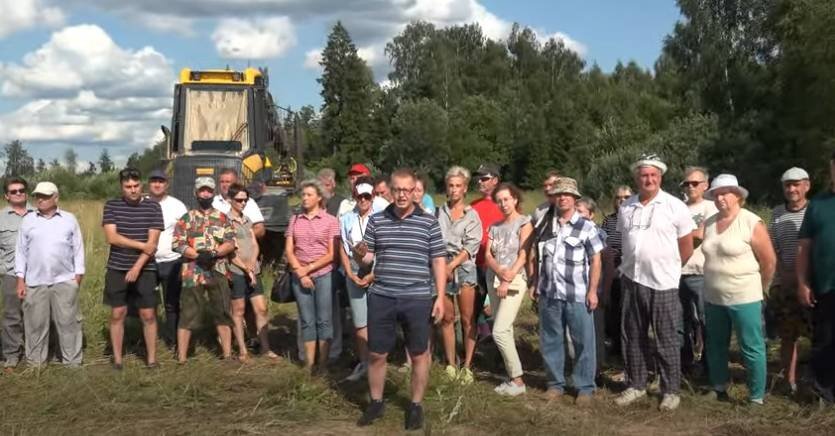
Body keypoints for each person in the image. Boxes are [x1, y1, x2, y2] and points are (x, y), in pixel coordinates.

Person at [353, 168, 446, 431]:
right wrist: (360, 254)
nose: (402, 195)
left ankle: (415, 405)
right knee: (376, 353)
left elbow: (438, 260)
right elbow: (368, 257)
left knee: (419, 354)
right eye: (397, 190)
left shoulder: (428, 222)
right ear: (390, 191)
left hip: (417, 297)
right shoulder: (377, 220)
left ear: (415, 190)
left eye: (407, 190)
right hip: (382, 295)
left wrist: (439, 296)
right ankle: (376, 401)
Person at [614, 154, 694, 411]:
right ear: (637, 178)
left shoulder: (675, 206)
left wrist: (669, 268)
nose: (648, 179)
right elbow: (623, 243)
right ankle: (635, 384)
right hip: (631, 280)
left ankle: (670, 390)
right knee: (632, 336)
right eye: (643, 175)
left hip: (664, 283)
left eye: (653, 175)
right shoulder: (626, 207)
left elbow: (687, 246)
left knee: (666, 338)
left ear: (660, 177)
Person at [701, 174, 775, 405]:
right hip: (714, 296)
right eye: (716, 194)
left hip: (745, 295)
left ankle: (756, 397)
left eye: (725, 193)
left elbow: (769, 260)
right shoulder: (710, 222)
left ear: (737, 195)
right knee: (715, 344)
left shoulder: (751, 221)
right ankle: (719, 386)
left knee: (751, 347)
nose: (720, 197)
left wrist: (760, 287)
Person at [15, 182, 84, 367]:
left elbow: (78, 250)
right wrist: (20, 280)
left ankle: (72, 362)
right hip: (35, 281)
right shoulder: (28, 220)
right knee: (35, 324)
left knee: (69, 323)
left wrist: (77, 278)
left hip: (64, 280)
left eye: (45, 196)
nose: (40, 199)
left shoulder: (69, 219)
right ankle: (36, 363)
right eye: (38, 195)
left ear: (56, 198)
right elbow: (20, 252)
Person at [102, 168, 164, 369]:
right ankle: (118, 359)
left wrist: (137, 266)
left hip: (145, 268)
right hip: (117, 267)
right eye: (128, 187)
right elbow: (112, 237)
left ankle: (152, 359)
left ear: (142, 185)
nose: (133, 190)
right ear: (122, 187)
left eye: (136, 186)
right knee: (117, 313)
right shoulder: (112, 206)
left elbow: (152, 243)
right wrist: (140, 245)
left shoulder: (153, 207)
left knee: (148, 314)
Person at [172, 177, 237, 363]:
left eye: (209, 191)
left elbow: (231, 242)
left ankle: (226, 354)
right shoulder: (187, 218)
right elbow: (177, 243)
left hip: (218, 269)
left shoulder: (223, 218)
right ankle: (182, 358)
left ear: (213, 193)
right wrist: (196, 255)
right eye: (202, 191)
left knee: (222, 311)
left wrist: (215, 253)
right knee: (188, 313)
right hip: (193, 271)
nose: (205, 194)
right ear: (196, 193)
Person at [285, 180, 340, 372]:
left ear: (319, 198)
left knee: (324, 319)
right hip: (299, 276)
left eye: (309, 194)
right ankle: (309, 364)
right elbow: (289, 250)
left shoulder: (331, 221)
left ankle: (323, 363)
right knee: (307, 320)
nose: (305, 198)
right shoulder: (295, 220)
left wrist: (308, 269)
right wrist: (300, 272)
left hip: (323, 275)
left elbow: (332, 254)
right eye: (303, 195)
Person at [484, 183, 532, 396]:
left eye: (507, 199)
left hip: (514, 279)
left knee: (499, 331)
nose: (503, 204)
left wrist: (507, 277)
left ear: (515, 199)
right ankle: (511, 373)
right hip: (493, 278)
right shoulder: (494, 227)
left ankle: (518, 380)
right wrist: (498, 271)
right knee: (504, 327)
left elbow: (523, 254)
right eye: (499, 200)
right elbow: (488, 255)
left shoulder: (524, 222)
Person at [768, 167, 812, 394]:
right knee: (788, 336)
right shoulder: (776, 213)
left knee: (819, 336)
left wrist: (803, 278)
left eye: (796, 184)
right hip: (784, 283)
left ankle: (816, 381)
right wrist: (783, 273)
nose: (792, 189)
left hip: (811, 285)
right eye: (788, 185)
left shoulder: (815, 210)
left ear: (807, 186)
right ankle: (790, 380)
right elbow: (771, 246)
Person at [436, 166, 483, 384]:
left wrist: (451, 266)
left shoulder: (472, 215)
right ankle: (451, 364)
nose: (454, 190)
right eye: (451, 186)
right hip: (441, 266)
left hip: (463, 268)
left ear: (465, 189)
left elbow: (471, 246)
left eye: (458, 186)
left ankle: (468, 365)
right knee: (446, 317)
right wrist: (442, 267)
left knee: (467, 318)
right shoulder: (439, 212)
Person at [797, 151, 835, 404]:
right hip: (826, 285)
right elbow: (803, 247)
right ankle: (824, 391)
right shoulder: (818, 205)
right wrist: (802, 282)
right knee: (825, 339)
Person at [226, 183, 279, 362]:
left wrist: (252, 264)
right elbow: (230, 251)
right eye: (239, 200)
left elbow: (255, 243)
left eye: (245, 200)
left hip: (252, 270)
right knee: (239, 310)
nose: (242, 203)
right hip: (236, 270)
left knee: (261, 308)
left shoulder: (247, 220)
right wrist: (245, 267)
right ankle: (243, 351)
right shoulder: (225, 221)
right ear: (230, 200)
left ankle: (266, 348)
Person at [679, 167, 718, 375]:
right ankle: (684, 363)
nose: (690, 187)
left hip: (702, 272)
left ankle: (709, 366)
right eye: (686, 183)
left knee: (705, 321)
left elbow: (701, 234)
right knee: (680, 321)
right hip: (677, 272)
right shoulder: (678, 207)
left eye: (695, 183)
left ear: (706, 185)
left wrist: (682, 235)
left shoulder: (711, 207)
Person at [338, 176, 376, 381]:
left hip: (377, 272)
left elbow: (386, 250)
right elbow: (343, 249)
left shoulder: (380, 217)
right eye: (360, 196)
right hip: (353, 271)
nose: (363, 200)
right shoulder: (346, 219)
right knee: (360, 321)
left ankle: (378, 362)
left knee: (377, 319)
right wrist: (349, 273)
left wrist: (373, 275)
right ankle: (364, 362)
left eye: (367, 196)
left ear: (373, 197)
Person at [147, 170, 188, 347]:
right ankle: (148, 339)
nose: (157, 184)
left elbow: (186, 234)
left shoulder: (177, 206)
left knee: (171, 303)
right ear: (148, 184)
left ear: (167, 184)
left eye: (161, 181)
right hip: (146, 261)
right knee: (147, 303)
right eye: (154, 181)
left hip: (172, 261)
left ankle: (172, 340)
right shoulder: (141, 204)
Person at [1, 177, 32, 372]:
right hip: (10, 274)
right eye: (13, 191)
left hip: (37, 274)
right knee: (12, 315)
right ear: (6, 196)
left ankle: (34, 351)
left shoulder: (38, 214)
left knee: (36, 315)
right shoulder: (1, 218)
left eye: (21, 190)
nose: (18, 193)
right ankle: (11, 354)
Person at [576, 196, 608, 379]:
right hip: (577, 291)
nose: (578, 216)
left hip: (594, 289)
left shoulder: (598, 233)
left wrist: (600, 289)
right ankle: (579, 368)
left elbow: (605, 261)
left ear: (591, 215)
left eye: (581, 212)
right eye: (576, 211)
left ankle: (596, 369)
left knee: (595, 331)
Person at [601, 185, 632, 357]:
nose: (622, 200)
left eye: (626, 197)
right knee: (610, 307)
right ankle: (612, 343)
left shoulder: (634, 219)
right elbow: (603, 241)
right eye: (619, 197)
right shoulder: (609, 220)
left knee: (624, 309)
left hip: (627, 266)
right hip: (609, 266)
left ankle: (624, 347)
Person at [212, 168, 265, 238]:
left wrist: (239, 237)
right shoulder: (214, 202)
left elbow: (260, 230)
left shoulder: (248, 202)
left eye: (228, 182)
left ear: (236, 183)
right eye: (222, 182)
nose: (224, 185)